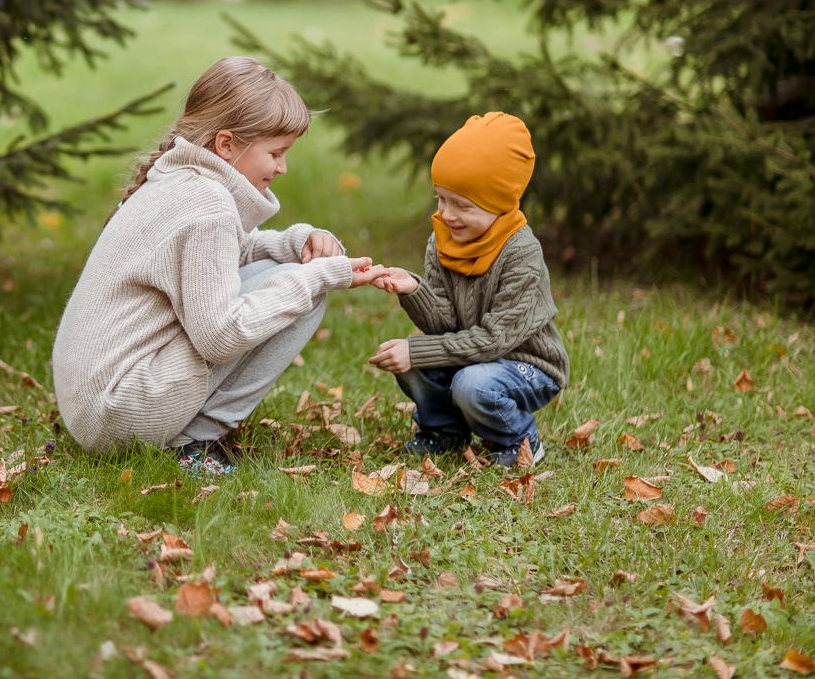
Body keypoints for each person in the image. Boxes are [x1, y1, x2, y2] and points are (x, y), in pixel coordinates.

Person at [51, 56, 387, 474]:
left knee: (291, 279)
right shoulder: (206, 205)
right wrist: (319, 276)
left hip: (97, 404)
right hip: (121, 413)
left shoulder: (179, 177)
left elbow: (220, 258)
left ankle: (186, 430)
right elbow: (221, 337)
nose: (283, 167)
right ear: (226, 144)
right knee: (303, 291)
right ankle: (196, 441)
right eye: (276, 153)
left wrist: (295, 243)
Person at [368, 112, 568, 468]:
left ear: (499, 204)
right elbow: (444, 324)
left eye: (461, 205)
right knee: (414, 358)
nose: (446, 215)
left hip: (526, 365)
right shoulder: (443, 240)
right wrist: (414, 290)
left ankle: (519, 439)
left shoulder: (521, 253)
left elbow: (494, 339)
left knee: (469, 383)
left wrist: (418, 352)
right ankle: (444, 432)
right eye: (441, 199)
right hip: (474, 359)